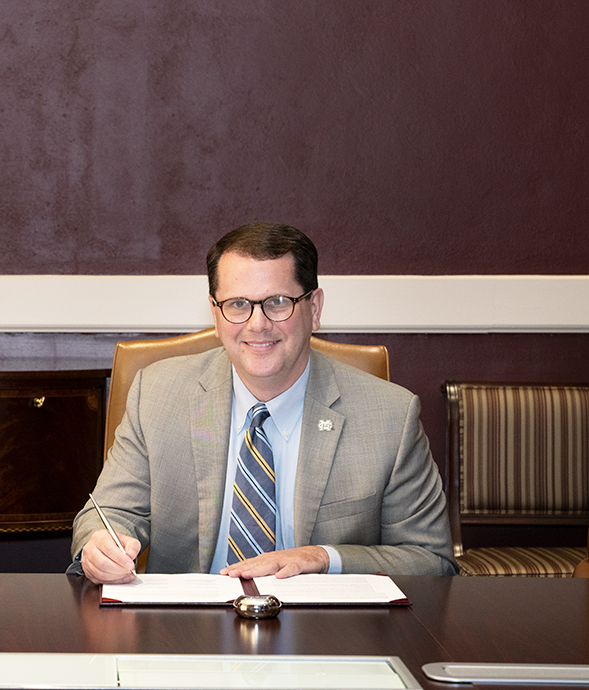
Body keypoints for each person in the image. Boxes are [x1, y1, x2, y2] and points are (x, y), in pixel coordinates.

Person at [71, 222, 456, 584]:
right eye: (238, 304)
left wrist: (324, 558)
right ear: (215, 313)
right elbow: (109, 513)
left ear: (315, 308)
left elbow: (431, 560)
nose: (257, 324)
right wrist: (101, 545)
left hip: (327, 637)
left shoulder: (390, 416)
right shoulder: (157, 394)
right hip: (185, 632)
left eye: (277, 302)